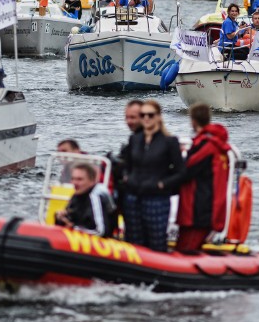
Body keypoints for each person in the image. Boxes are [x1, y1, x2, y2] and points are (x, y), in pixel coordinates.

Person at [121, 100, 185, 251]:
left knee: (156, 241)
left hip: (156, 198)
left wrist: (162, 184)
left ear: (158, 117)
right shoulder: (135, 139)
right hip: (133, 196)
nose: (146, 118)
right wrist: (127, 178)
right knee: (133, 240)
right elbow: (127, 165)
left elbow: (181, 172)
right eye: (143, 115)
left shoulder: (169, 142)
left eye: (150, 115)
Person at [175, 104, 231, 251]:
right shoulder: (215, 144)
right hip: (203, 207)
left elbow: (186, 170)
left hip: (198, 210)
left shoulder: (206, 146)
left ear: (193, 121)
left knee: (187, 248)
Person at [54, 162, 117, 237]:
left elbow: (100, 231)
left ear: (92, 181)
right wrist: (60, 218)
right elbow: (71, 220)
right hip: (82, 235)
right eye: (73, 179)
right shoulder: (77, 194)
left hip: (102, 241)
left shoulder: (95, 196)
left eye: (79, 179)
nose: (75, 183)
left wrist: (74, 228)